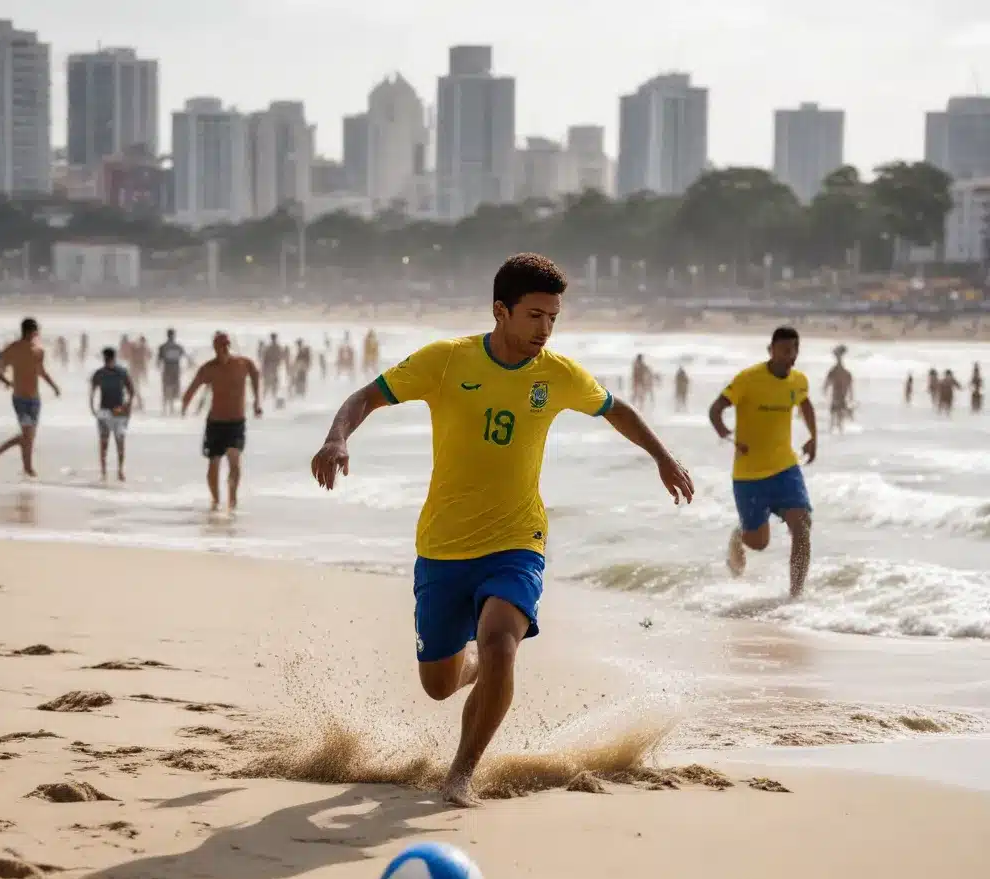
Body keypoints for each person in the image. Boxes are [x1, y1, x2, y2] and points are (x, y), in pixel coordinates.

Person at [310, 253, 694, 808]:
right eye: (534, 315)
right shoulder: (446, 361)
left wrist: (662, 457)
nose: (544, 330)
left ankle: (460, 773)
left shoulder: (558, 374)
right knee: (439, 684)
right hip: (443, 546)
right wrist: (336, 438)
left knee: (500, 645)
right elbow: (366, 396)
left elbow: (617, 409)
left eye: (553, 318)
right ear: (500, 310)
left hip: (517, 542)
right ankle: (471, 667)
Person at [708, 325, 817, 599]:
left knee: (802, 524)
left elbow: (805, 404)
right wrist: (723, 430)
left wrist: (814, 437)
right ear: (771, 350)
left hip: (785, 467)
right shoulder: (748, 379)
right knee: (758, 543)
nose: (788, 356)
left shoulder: (799, 380)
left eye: (793, 350)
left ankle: (795, 596)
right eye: (783, 350)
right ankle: (740, 534)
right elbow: (716, 407)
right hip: (749, 474)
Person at [181, 331, 262, 513]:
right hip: (216, 423)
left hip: (236, 422)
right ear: (215, 348)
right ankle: (216, 501)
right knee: (214, 462)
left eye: (226, 345)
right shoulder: (209, 368)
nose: (224, 349)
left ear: (229, 346)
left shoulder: (242, 364)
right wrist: (185, 405)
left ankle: (232, 501)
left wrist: (257, 401)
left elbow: (255, 374)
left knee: (234, 458)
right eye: (220, 346)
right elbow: (193, 387)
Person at [0, 318, 61, 478]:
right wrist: (6, 382)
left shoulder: (39, 351)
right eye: (36, 331)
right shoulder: (14, 348)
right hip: (20, 399)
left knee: (29, 437)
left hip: (35, 399)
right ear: (30, 331)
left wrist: (54, 387)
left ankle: (27, 468)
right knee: (27, 435)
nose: (38, 333)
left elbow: (41, 372)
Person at [90, 347, 138, 482]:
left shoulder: (113, 372)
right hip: (110, 411)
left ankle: (117, 471)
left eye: (108, 358)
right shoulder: (106, 373)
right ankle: (109, 472)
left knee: (115, 442)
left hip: (114, 412)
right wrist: (93, 409)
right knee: (110, 442)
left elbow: (131, 392)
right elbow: (132, 392)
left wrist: (127, 407)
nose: (107, 361)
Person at [157, 328, 189, 416]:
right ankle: (171, 408)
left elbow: (158, 361)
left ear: (167, 335)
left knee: (166, 389)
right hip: (175, 370)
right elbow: (185, 357)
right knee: (174, 389)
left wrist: (159, 367)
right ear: (174, 335)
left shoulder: (163, 347)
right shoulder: (178, 346)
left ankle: (165, 408)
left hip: (167, 370)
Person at [823, 346, 854, 432]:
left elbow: (827, 383)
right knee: (836, 416)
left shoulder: (842, 372)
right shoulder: (842, 372)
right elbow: (827, 383)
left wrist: (825, 389)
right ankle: (838, 432)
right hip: (838, 396)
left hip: (839, 396)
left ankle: (837, 431)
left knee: (836, 416)